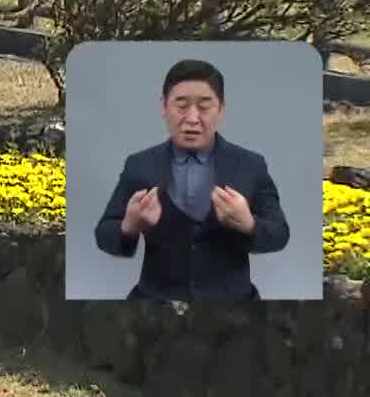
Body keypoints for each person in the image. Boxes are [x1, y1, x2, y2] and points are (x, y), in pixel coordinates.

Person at [94, 59, 289, 301]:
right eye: (181, 106)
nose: (192, 118)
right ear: (164, 107)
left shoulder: (250, 164)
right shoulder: (140, 164)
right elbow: (104, 233)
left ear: (221, 109)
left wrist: (248, 223)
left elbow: (280, 233)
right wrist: (130, 226)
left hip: (234, 306)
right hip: (155, 303)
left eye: (204, 106)